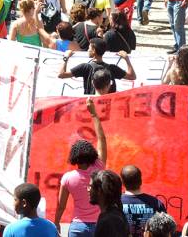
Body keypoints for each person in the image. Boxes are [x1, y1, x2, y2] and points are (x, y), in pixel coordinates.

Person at [54, 98, 107, 236]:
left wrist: (56, 222)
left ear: (73, 157)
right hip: (100, 225)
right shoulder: (99, 168)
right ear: (92, 154)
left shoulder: (67, 178)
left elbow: (61, 206)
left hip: (78, 228)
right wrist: (94, 114)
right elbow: (102, 139)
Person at [59, 38, 136, 94]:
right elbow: (132, 76)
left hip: (91, 105)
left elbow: (61, 74)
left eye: (89, 48)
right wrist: (127, 59)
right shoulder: (112, 68)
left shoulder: (85, 68)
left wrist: (66, 57)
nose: (88, 50)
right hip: (109, 106)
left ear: (94, 50)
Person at [120, 165, 166, 237]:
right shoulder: (156, 203)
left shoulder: (115, 203)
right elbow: (165, 231)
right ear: (141, 181)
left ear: (122, 183)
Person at [88, 169, 129, 237]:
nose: (88, 189)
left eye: (90, 186)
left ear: (99, 190)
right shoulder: (112, 215)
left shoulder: (110, 220)